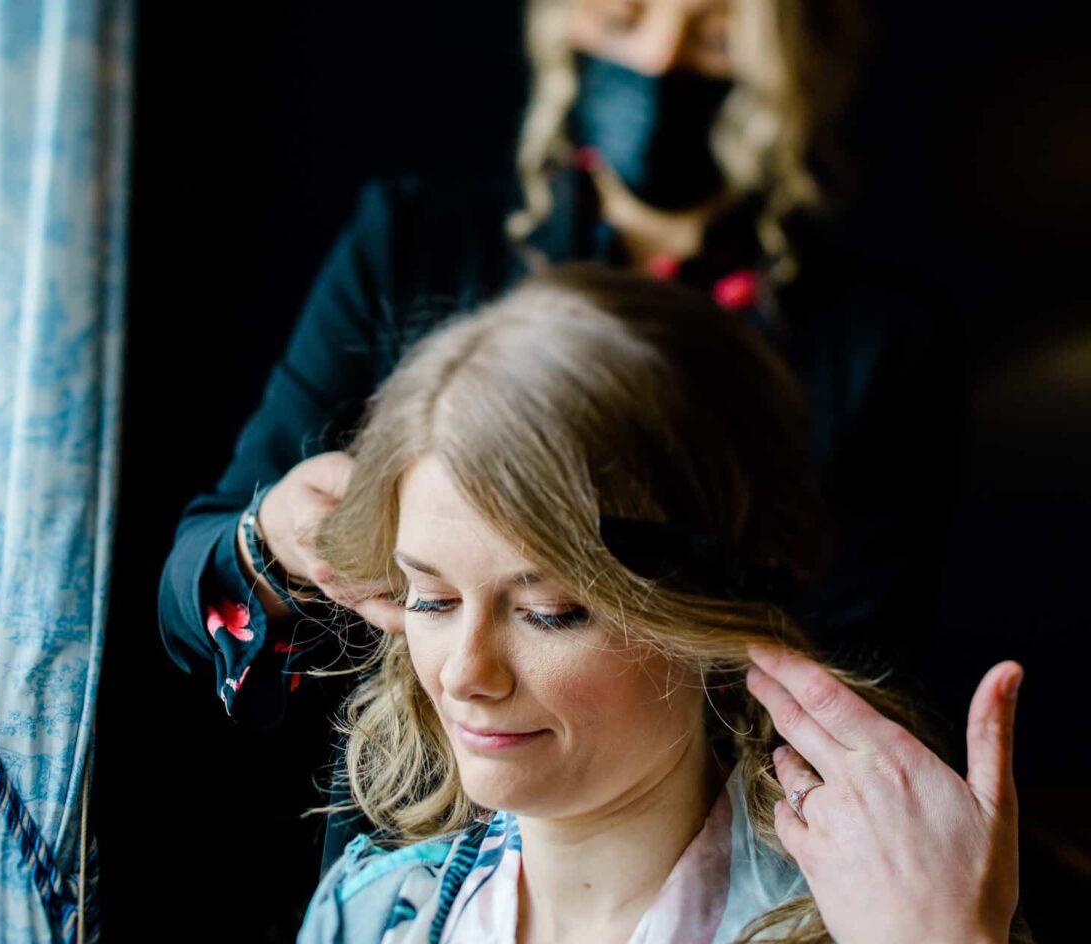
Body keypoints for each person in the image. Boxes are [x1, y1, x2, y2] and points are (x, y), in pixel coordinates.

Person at [211, 264, 1071, 944]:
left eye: (550, 612)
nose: (468, 672)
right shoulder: (370, 918)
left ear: (704, 618)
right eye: (431, 600)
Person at [158, 0, 962, 875]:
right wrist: (272, 539)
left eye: (718, 33)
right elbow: (196, 582)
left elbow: (858, 675)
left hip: (717, 862)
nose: (662, 61)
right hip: (414, 852)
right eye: (624, 18)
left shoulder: (875, 343)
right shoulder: (416, 247)